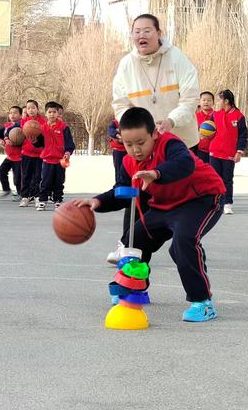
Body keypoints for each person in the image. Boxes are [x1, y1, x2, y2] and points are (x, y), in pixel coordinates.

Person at [73, 107, 226, 322]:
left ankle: (202, 303)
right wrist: (97, 201)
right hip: (165, 205)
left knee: (183, 243)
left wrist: (156, 173)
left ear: (154, 133)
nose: (135, 150)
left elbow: (185, 164)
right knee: (132, 241)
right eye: (128, 144)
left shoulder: (170, 144)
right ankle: (135, 291)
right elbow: (124, 192)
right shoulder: (128, 162)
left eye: (141, 143)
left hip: (201, 199)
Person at [107, 13, 200, 264]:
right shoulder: (127, 64)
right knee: (137, 206)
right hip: (145, 147)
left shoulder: (177, 58)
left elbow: (191, 98)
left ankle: (192, 264)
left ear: (159, 33)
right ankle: (131, 272)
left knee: (185, 214)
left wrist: (170, 122)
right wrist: (133, 129)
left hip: (181, 146)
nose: (141, 35)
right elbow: (120, 103)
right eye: (136, 31)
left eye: (147, 30)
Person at [209, 89, 248, 215]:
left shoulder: (239, 116)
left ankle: (227, 204)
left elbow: (243, 135)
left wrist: (239, 152)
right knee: (215, 179)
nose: (217, 102)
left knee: (227, 180)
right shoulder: (214, 115)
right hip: (214, 153)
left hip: (229, 154)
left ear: (226, 101)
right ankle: (215, 204)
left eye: (220, 99)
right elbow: (208, 131)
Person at [34, 101, 75, 211]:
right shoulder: (42, 128)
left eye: (54, 112)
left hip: (60, 160)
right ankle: (42, 201)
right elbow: (39, 143)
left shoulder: (64, 127)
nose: (52, 114)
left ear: (58, 113)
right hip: (47, 159)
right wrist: (33, 139)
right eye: (49, 112)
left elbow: (69, 142)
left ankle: (58, 201)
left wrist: (67, 153)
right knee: (45, 182)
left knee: (59, 182)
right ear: (45, 113)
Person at [0, 106, 22, 200]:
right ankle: (6, 189)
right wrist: (0, 138)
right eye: (11, 113)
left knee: (18, 178)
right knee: (1, 171)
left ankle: (21, 194)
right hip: (10, 156)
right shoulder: (7, 126)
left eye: (15, 113)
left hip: (19, 157)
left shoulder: (22, 126)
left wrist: (15, 141)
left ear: (20, 115)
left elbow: (22, 139)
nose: (12, 115)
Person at [19, 99, 45, 208]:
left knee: (38, 177)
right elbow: (20, 136)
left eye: (33, 108)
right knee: (25, 176)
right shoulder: (24, 122)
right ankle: (24, 197)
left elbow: (44, 137)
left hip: (39, 154)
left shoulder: (43, 121)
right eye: (28, 108)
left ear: (37, 109)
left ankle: (37, 197)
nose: (31, 110)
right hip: (26, 153)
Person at [195, 91, 215, 163]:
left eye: (209, 100)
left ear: (213, 102)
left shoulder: (218, 116)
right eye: (204, 100)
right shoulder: (194, 116)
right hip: (199, 151)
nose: (206, 102)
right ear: (199, 102)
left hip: (214, 152)